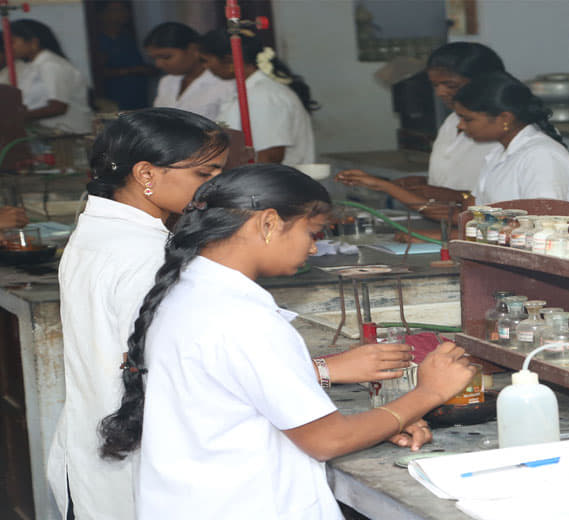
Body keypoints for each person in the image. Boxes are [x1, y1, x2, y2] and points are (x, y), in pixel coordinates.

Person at [48, 108, 407, 519]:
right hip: (143, 466)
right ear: (146, 174)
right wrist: (326, 372)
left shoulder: (102, 230)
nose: (213, 190)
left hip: (99, 452)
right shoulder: (144, 258)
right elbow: (189, 364)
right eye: (205, 175)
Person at [97, 164, 476, 519]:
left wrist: (382, 420)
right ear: (268, 223)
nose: (313, 248)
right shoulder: (242, 319)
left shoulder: (190, 291)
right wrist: (427, 393)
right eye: (312, 233)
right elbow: (327, 440)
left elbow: (246, 400)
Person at [336, 42, 505, 222]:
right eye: (435, 85)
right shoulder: (452, 121)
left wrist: (448, 194)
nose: (440, 92)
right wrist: (425, 185)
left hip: (476, 227)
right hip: (447, 221)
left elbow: (501, 202)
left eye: (450, 85)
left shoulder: (500, 131)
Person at [450, 71, 569, 209]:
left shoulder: (541, 156)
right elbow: (475, 212)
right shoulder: (498, 153)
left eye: (467, 119)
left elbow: (543, 226)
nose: (460, 125)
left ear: (505, 119)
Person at [199, 30, 316, 165]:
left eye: (206, 60)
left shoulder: (264, 95)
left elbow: (270, 156)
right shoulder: (251, 91)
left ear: (229, 60)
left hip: (269, 183)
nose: (205, 67)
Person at [5, 20, 93, 134]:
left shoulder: (51, 66)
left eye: (12, 42)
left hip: (68, 135)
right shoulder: (31, 66)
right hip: (47, 132)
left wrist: (16, 117)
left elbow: (58, 107)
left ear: (34, 43)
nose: (9, 47)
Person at [145, 22, 234, 121]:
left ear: (193, 49)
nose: (159, 64)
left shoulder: (224, 82)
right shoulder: (167, 81)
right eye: (154, 59)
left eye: (166, 57)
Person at [92, 1, 153, 110]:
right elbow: (99, 72)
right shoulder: (98, 41)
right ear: (102, 14)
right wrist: (133, 70)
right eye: (116, 10)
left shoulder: (127, 37)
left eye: (124, 10)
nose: (123, 13)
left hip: (138, 96)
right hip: (116, 98)